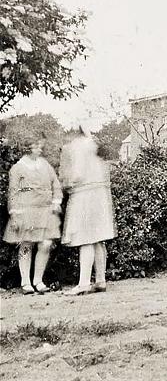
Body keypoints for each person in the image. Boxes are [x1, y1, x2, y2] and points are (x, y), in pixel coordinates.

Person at [60, 124, 117, 295]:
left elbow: (76, 175)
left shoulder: (75, 147)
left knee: (85, 238)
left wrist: (66, 183)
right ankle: (100, 280)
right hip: (100, 195)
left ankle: (84, 283)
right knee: (98, 239)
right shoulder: (95, 146)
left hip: (84, 195)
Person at [4, 136, 63, 294]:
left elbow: (55, 183)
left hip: (45, 210)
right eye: (36, 147)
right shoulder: (18, 168)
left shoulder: (45, 165)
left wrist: (56, 201)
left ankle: (38, 280)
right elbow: (13, 193)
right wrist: (15, 214)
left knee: (45, 244)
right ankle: (26, 282)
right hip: (26, 210)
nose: (40, 149)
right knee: (26, 244)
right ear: (28, 149)